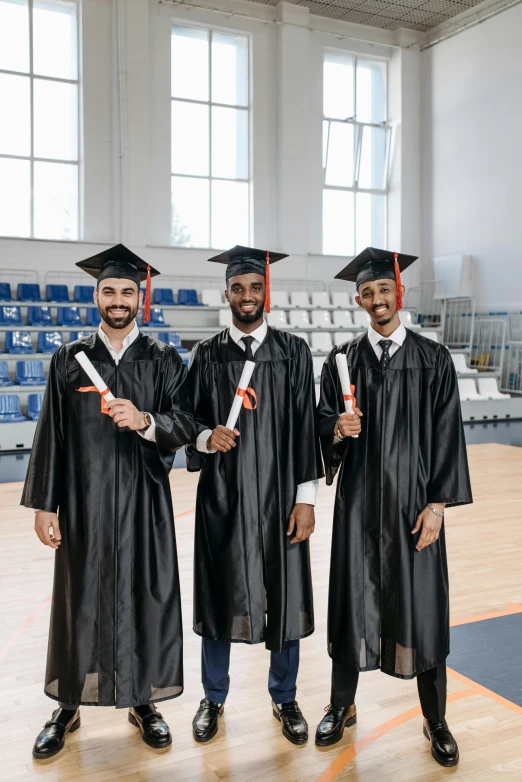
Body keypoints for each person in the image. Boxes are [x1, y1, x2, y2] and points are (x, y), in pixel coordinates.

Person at [22, 244, 196, 759]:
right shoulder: (70, 359)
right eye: (109, 291)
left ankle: (143, 701)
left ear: (139, 298)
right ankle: (69, 702)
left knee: (145, 596)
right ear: (96, 295)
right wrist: (44, 504)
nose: (118, 300)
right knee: (80, 599)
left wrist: (146, 421)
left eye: (127, 291)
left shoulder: (163, 360)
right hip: (85, 502)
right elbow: (50, 433)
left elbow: (187, 422)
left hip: (144, 502)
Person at [315, 247, 472, 768]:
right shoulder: (342, 361)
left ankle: (436, 716)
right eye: (368, 292)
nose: (377, 299)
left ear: (397, 293)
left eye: (385, 290)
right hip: (358, 505)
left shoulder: (433, 359)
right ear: (357, 299)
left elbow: (448, 436)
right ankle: (341, 706)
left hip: (414, 508)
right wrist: (337, 428)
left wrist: (438, 504)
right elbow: (319, 431)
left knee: (422, 608)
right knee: (350, 606)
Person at [181, 246, 324, 745]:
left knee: (282, 594)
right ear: (226, 294)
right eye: (237, 288)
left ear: (267, 291)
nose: (246, 296)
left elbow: (307, 425)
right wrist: (204, 437)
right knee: (219, 592)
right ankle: (212, 696)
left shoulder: (294, 352)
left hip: (281, 496)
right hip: (222, 495)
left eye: (255, 287)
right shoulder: (207, 354)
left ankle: (284, 697)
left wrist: (305, 496)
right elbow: (185, 417)